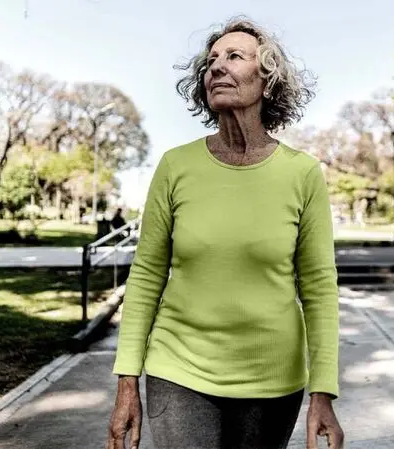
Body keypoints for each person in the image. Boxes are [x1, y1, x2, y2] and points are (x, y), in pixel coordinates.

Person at [106, 17, 344, 449]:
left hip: (272, 381)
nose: (217, 66)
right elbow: (145, 277)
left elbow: (319, 288)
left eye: (235, 56)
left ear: (267, 81)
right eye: (212, 59)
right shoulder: (176, 166)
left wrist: (322, 391)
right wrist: (127, 381)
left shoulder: (302, 173)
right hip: (178, 369)